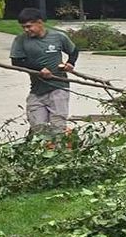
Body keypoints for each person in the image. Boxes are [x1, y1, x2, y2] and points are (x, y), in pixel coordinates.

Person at [8, 8, 79, 139]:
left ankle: (61, 151)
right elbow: (16, 62)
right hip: (37, 90)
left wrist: (70, 63)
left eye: (29, 26)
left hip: (59, 87)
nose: (26, 30)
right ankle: (42, 151)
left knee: (58, 127)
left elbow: (74, 51)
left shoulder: (58, 37)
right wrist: (39, 69)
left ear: (40, 23)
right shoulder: (21, 40)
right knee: (38, 127)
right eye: (23, 27)